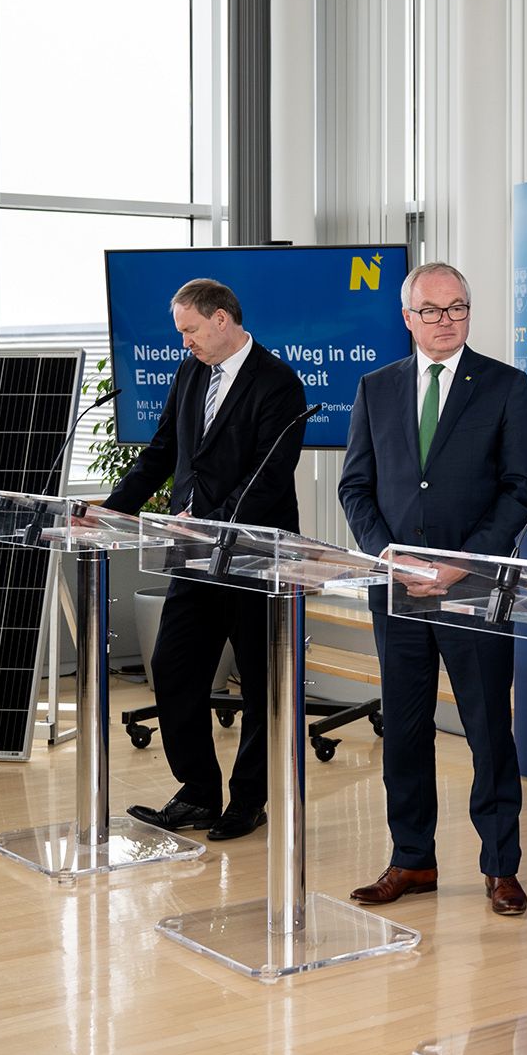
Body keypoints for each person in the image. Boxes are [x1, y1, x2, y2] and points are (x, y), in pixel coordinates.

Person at [338, 262, 527, 916]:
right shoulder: (376, 387)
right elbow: (356, 486)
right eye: (431, 309)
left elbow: (519, 489)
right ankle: (412, 860)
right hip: (396, 588)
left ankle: (501, 867)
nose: (445, 320)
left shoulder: (505, 386)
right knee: (404, 730)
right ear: (408, 317)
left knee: (488, 730)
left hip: (472, 586)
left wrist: (465, 560)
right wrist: (387, 555)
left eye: (457, 308)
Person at [107, 277, 311, 842]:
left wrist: (211, 523)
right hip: (192, 555)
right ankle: (198, 792)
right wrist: (111, 510)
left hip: (254, 558)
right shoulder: (192, 371)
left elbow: (268, 477)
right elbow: (163, 452)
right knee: (173, 668)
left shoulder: (279, 383)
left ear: (221, 319)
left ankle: (248, 801)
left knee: (261, 685)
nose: (185, 342)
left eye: (190, 330)